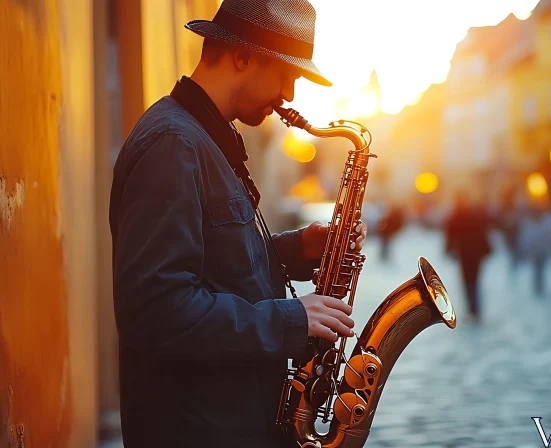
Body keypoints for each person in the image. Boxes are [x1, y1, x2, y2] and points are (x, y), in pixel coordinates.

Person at [108, 1, 368, 446]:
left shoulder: (203, 138)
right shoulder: (173, 144)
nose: (290, 94)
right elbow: (154, 311)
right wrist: (289, 320)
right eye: (286, 73)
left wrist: (295, 250)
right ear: (242, 56)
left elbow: (214, 266)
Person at [444, 190, 493, 320]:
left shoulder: (457, 214)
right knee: (475, 281)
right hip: (475, 253)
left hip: (465, 253)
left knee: (467, 281)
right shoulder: (474, 213)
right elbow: (483, 231)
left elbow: (450, 234)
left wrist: (448, 249)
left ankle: (472, 308)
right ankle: (475, 307)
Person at [517, 201, 551, 298]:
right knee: (536, 269)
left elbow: (550, 237)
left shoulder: (546, 222)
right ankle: (537, 286)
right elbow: (526, 238)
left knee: (541, 269)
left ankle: (541, 286)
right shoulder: (529, 223)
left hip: (542, 251)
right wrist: (525, 250)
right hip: (535, 251)